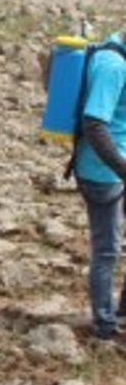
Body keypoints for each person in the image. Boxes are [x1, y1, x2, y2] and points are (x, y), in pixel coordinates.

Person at [75, 31, 126, 345]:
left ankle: (120, 314)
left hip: (113, 167)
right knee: (106, 250)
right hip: (102, 174)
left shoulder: (112, 50)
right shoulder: (113, 65)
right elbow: (94, 123)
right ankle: (105, 327)